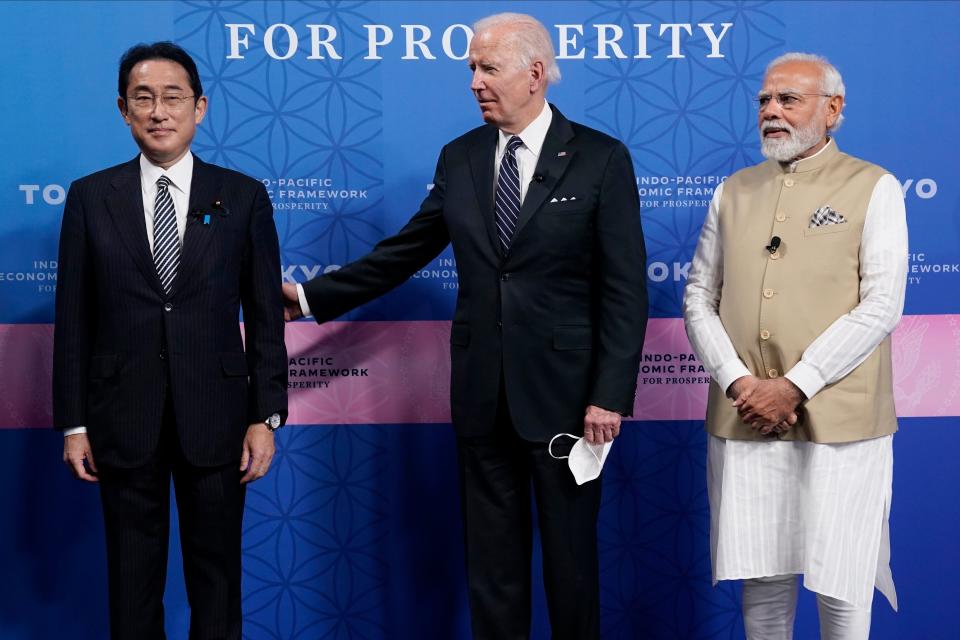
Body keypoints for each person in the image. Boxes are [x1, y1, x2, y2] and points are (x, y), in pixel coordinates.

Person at [282, 12, 647, 639]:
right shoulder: (462, 156)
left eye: (488, 68)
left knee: (571, 567)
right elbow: (408, 249)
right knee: (493, 569)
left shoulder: (600, 159)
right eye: (471, 69)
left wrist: (609, 394)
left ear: (535, 74)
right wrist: (309, 297)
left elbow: (624, 290)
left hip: (567, 400)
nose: (475, 82)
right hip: (482, 397)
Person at [53, 41, 287, 640]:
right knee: (132, 584)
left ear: (200, 107)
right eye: (143, 98)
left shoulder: (242, 197)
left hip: (218, 419)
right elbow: (73, 319)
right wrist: (74, 424)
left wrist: (267, 415)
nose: (159, 111)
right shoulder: (89, 197)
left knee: (217, 579)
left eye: (172, 97)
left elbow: (265, 317)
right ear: (123, 110)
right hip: (121, 420)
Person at [683, 52, 907, 639]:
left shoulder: (873, 186)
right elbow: (699, 297)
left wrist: (795, 386)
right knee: (763, 578)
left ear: (832, 110)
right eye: (764, 100)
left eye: (788, 100)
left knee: (843, 578)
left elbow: (882, 304)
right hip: (747, 413)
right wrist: (739, 382)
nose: (771, 112)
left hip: (842, 419)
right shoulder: (734, 190)